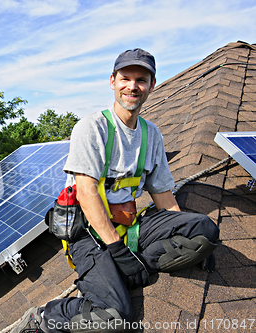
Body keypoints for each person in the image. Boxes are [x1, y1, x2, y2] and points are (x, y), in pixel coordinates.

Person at [12, 49, 219, 333]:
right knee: (112, 320)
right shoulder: (93, 128)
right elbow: (86, 193)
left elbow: (163, 196)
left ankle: (122, 270)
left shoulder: (151, 134)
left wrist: (187, 235)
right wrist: (118, 250)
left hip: (129, 225)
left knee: (205, 229)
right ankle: (44, 317)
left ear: (152, 85)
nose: (132, 86)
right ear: (112, 81)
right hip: (88, 234)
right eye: (125, 78)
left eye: (141, 80)